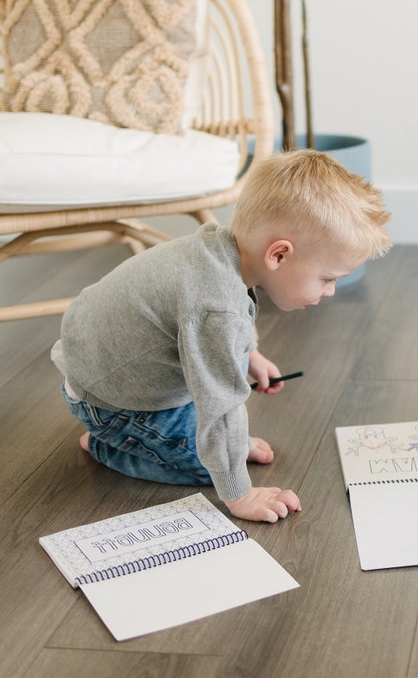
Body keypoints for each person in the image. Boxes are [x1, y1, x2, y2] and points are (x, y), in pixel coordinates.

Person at [51, 150, 392, 523]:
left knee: (219, 445)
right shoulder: (216, 307)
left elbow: (222, 326)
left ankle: (122, 434)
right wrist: (240, 494)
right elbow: (222, 407)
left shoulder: (218, 249)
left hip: (98, 361)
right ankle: (107, 445)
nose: (330, 291)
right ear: (278, 255)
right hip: (111, 401)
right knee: (207, 466)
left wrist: (251, 356)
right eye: (328, 278)